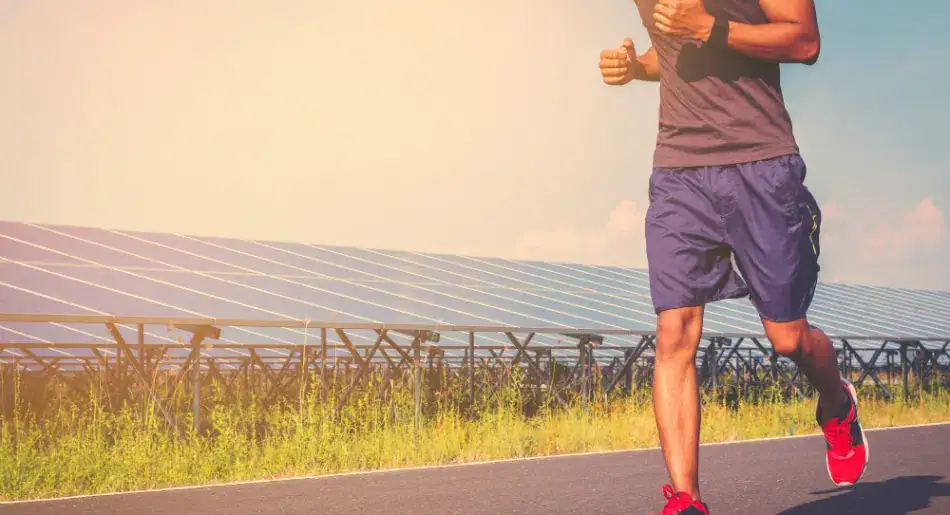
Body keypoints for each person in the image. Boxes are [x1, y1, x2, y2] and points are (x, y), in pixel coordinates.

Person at [597, 1, 868, 514]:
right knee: (674, 331)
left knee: (788, 338)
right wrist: (637, 68)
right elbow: (675, 51)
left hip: (761, 162)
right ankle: (686, 499)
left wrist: (710, 26)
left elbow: (804, 41)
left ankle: (836, 403)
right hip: (680, 169)